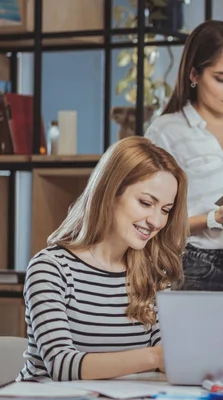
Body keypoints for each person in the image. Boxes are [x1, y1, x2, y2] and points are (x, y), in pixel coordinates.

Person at [17, 137, 189, 381]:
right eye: (146, 203)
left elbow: (171, 359)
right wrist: (155, 358)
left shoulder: (153, 275)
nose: (156, 221)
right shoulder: (51, 268)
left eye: (165, 210)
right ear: (110, 192)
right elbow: (62, 365)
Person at [146, 20, 223, 292]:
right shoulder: (166, 132)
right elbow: (151, 220)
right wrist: (214, 218)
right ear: (194, 75)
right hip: (195, 269)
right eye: (221, 78)